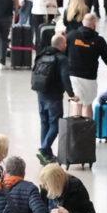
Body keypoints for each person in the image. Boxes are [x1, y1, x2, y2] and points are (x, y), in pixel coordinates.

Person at [34, 33, 75, 165]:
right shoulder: (61, 59)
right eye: (65, 43)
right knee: (55, 125)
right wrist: (71, 94)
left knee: (44, 123)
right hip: (54, 97)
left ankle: (47, 155)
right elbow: (65, 78)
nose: (66, 45)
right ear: (61, 45)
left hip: (41, 94)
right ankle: (44, 148)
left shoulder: (41, 55)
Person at [66, 13, 107, 120]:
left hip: (73, 76)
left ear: (82, 22)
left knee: (76, 103)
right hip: (89, 78)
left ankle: (75, 131)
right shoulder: (99, 40)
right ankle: (87, 131)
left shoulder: (71, 36)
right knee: (87, 104)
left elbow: (64, 53)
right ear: (94, 24)